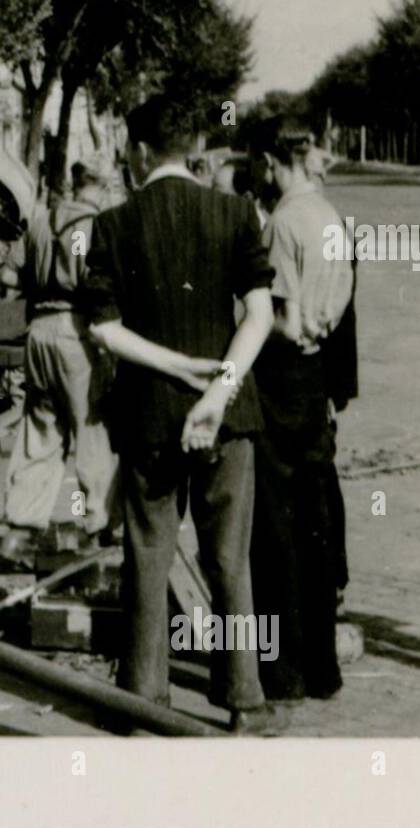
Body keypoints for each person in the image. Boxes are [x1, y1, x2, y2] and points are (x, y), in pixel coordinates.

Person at [82, 101, 277, 734]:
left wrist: (177, 368)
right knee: (230, 561)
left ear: (138, 152)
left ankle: (144, 701)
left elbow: (104, 331)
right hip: (230, 417)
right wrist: (218, 391)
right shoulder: (236, 212)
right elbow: (261, 315)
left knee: (147, 554)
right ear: (193, 146)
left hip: (151, 416)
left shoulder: (112, 224)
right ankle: (245, 700)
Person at [247, 118, 354, 701]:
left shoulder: (284, 223)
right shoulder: (330, 216)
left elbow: (281, 320)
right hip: (315, 379)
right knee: (317, 524)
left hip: (280, 381)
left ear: (270, 162)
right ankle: (322, 667)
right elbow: (335, 304)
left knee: (275, 530)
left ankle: (281, 671)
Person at [0, 159, 118, 565]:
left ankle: (19, 532)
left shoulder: (39, 220)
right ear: (101, 187)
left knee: (40, 431)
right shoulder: (92, 225)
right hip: (76, 330)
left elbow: (9, 279)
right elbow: (92, 280)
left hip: (38, 330)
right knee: (90, 429)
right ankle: (94, 525)